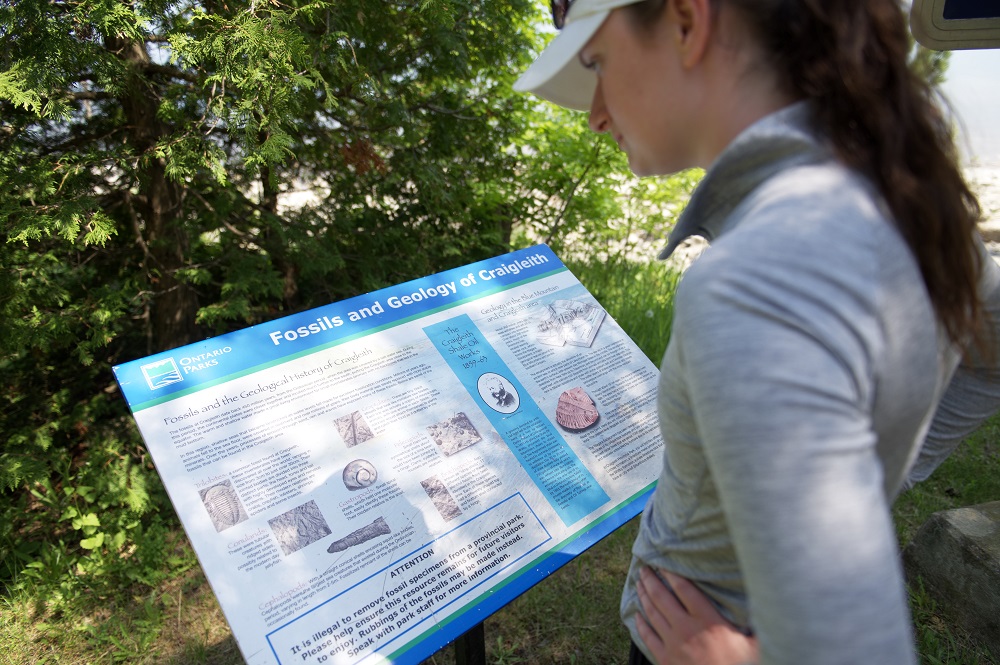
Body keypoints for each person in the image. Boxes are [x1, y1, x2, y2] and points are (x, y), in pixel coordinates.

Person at [514, 0, 1000, 663]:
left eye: (598, 62)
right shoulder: (903, 202)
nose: (597, 114)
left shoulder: (756, 280)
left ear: (687, 21)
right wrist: (885, 462)